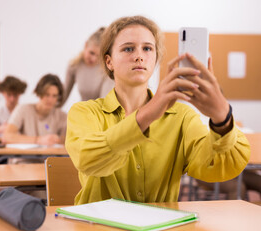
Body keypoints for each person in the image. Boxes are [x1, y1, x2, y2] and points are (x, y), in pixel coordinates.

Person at [65, 16, 250, 205]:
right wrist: (149, 113)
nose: (139, 56)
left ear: (155, 59)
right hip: (97, 230)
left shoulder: (182, 116)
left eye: (147, 48)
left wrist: (222, 120)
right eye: (128, 48)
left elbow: (216, 167)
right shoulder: (84, 112)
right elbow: (87, 159)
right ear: (109, 61)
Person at [3, 73, 67, 163]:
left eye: (54, 96)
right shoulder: (23, 109)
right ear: (39, 93)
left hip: (49, 165)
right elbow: (7, 136)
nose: (50, 99)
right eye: (47, 95)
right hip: (23, 162)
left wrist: (59, 140)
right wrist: (38, 140)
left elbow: (70, 142)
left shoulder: (62, 116)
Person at [62, 27, 114, 106]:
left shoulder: (108, 69)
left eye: (99, 56)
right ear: (86, 45)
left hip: (101, 115)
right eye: (91, 53)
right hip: (82, 113)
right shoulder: (74, 66)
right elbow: (62, 98)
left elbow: (104, 104)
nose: (93, 59)